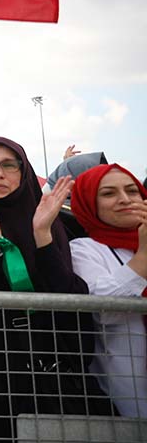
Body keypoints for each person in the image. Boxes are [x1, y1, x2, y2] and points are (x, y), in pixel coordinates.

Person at [0, 136, 113, 443]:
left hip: (54, 376)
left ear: (24, 170)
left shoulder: (48, 221)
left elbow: (66, 295)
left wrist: (43, 236)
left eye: (9, 164)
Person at [68, 163, 147, 418]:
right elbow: (103, 311)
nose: (125, 200)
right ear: (90, 203)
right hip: (129, 398)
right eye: (108, 193)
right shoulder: (85, 249)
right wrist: (144, 258)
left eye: (132, 191)